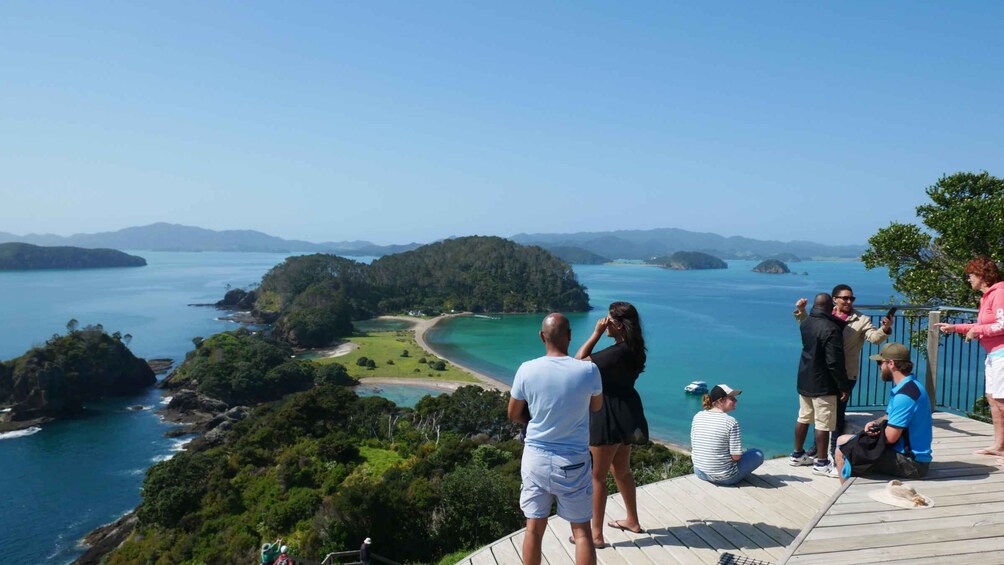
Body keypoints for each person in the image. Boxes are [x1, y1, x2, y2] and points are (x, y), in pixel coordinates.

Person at [508, 313, 604, 565]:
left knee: (533, 529)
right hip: (573, 461)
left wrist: (535, 422)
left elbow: (514, 413)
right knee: (582, 532)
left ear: (542, 336)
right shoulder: (588, 370)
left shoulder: (526, 369)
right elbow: (596, 407)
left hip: (536, 459)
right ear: (570, 335)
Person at [575, 302, 649, 546]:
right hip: (627, 414)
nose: (603, 323)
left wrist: (595, 334)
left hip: (606, 415)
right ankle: (632, 520)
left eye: (607, 320)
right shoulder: (633, 350)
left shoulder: (616, 352)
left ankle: (595, 535)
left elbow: (577, 362)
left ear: (617, 324)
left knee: (597, 477)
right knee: (622, 471)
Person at [794, 284, 892, 457]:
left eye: (851, 298)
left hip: (845, 373)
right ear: (834, 300)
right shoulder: (824, 315)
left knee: (837, 414)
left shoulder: (861, 320)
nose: (849, 301)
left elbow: (874, 338)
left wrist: (884, 329)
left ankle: (833, 451)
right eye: (845, 298)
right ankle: (817, 448)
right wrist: (801, 312)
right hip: (822, 374)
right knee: (820, 414)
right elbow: (809, 328)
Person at [834, 342, 933, 483]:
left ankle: (844, 496)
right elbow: (888, 416)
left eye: (880, 363)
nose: (880, 367)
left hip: (912, 463)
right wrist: (875, 423)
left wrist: (864, 439)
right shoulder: (911, 386)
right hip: (911, 455)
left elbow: (890, 437)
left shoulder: (905, 396)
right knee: (846, 441)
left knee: (843, 449)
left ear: (891, 363)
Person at [935, 256, 1004, 456]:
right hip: (993, 354)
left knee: (1001, 401)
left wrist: (978, 330)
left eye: (971, 275)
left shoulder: (999, 293)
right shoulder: (987, 296)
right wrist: (955, 327)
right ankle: (999, 446)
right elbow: (980, 326)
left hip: (1002, 354)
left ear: (982, 276)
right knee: (993, 400)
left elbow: (1002, 324)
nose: (969, 279)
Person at [790, 293, 850, 477]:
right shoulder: (831, 328)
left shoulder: (807, 323)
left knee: (803, 417)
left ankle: (797, 454)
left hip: (805, 378)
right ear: (829, 306)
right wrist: (843, 385)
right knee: (823, 423)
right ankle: (822, 463)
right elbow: (834, 362)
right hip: (823, 382)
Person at [690, 384, 764, 485]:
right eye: (732, 398)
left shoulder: (698, 416)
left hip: (700, 472)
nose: (736, 401)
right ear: (720, 400)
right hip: (724, 478)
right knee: (757, 454)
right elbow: (736, 457)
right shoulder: (730, 422)